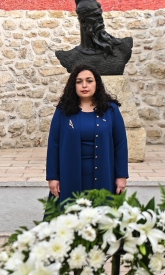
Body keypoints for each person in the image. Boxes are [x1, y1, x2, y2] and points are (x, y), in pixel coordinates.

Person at [46, 64, 129, 205]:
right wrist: (53, 177)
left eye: (89, 81)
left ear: (97, 83)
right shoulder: (63, 111)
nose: (84, 85)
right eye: (79, 82)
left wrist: (121, 176)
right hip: (69, 174)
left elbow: (120, 144)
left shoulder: (111, 110)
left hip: (104, 172)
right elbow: (54, 144)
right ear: (74, 85)